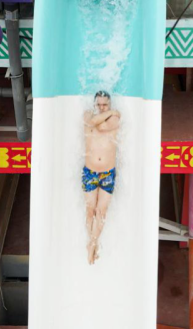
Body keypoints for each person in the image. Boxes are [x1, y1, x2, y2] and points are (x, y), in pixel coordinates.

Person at [82, 91, 120, 265]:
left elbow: (103, 127)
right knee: (90, 209)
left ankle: (92, 243)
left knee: (101, 211)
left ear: (109, 104)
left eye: (105, 105)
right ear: (94, 104)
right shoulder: (88, 115)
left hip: (107, 173)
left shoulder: (115, 119)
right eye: (99, 105)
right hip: (90, 172)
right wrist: (110, 112)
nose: (102, 108)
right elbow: (93, 122)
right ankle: (92, 242)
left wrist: (110, 113)